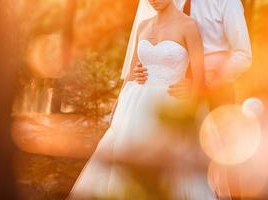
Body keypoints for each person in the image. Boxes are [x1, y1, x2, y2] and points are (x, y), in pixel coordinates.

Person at [67, 0, 216, 199]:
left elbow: (200, 79)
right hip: (136, 107)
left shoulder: (188, 25)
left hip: (170, 105)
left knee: (167, 171)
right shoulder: (143, 26)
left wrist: (190, 85)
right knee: (126, 167)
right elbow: (132, 72)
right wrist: (136, 74)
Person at [133, 0, 252, 109]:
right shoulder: (173, 3)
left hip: (216, 94)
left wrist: (204, 82)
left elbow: (243, 55)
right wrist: (143, 68)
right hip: (175, 96)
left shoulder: (226, 2)